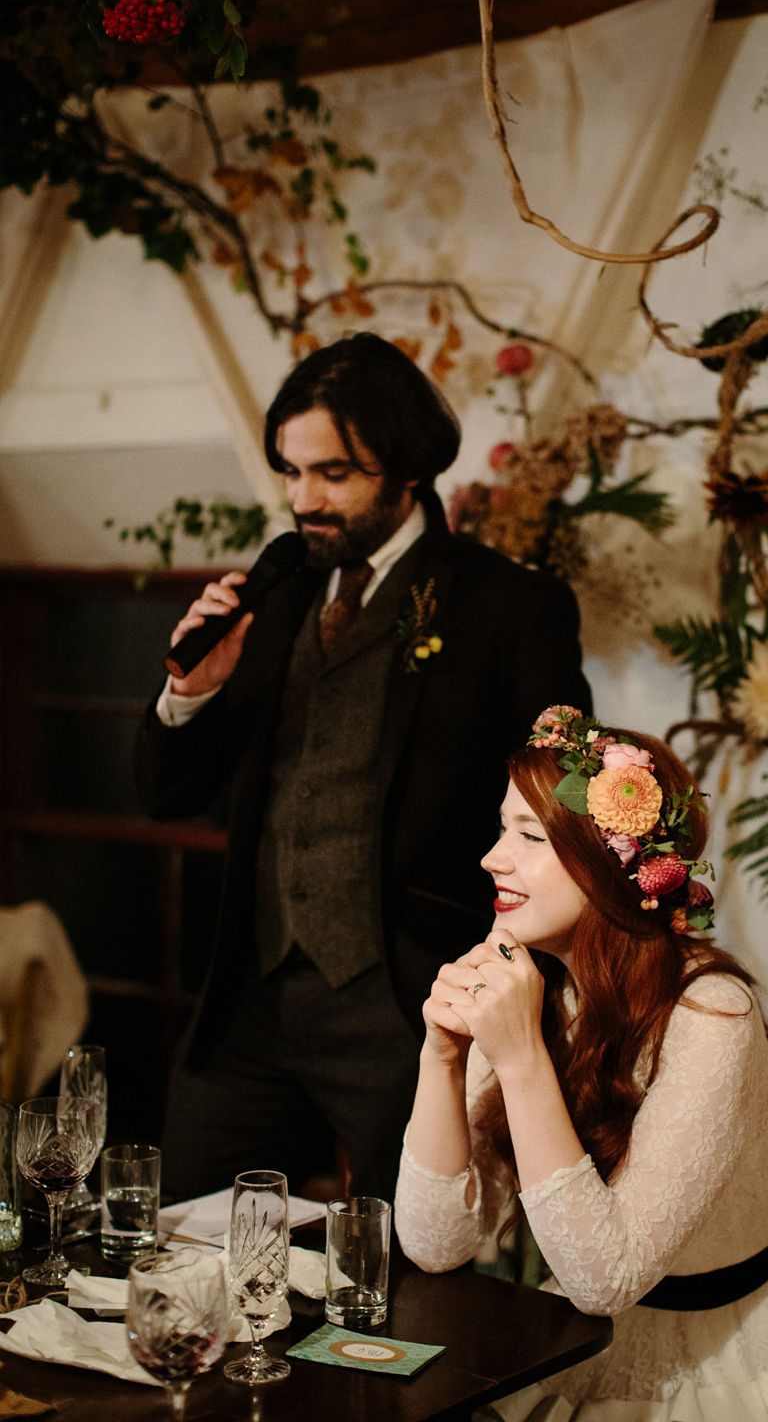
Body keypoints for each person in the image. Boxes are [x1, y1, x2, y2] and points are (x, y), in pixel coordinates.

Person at [136, 335, 592, 1201]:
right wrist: (188, 693)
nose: (303, 500)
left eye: (333, 474)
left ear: (409, 470)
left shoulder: (509, 607)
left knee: (408, 1285)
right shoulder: (273, 596)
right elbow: (165, 794)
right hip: (250, 1004)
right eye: (291, 472)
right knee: (182, 1248)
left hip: (407, 1005)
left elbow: (564, 807)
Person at [395, 706, 768, 1422]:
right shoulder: (534, 987)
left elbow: (602, 1278)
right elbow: (434, 1245)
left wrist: (520, 1059)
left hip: (744, 1351)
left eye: (528, 836)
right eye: (502, 830)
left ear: (606, 867)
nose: (493, 858)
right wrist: (442, 1055)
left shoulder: (712, 1013)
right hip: (584, 1340)